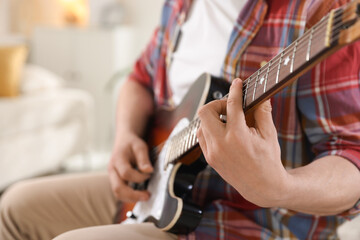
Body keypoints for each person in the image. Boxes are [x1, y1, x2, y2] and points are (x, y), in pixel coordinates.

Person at [1, 0, 360, 239]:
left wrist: (279, 187)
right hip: (155, 185)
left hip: (246, 223)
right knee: (14, 207)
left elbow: (352, 157)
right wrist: (125, 137)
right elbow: (140, 78)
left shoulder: (324, 11)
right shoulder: (182, 4)